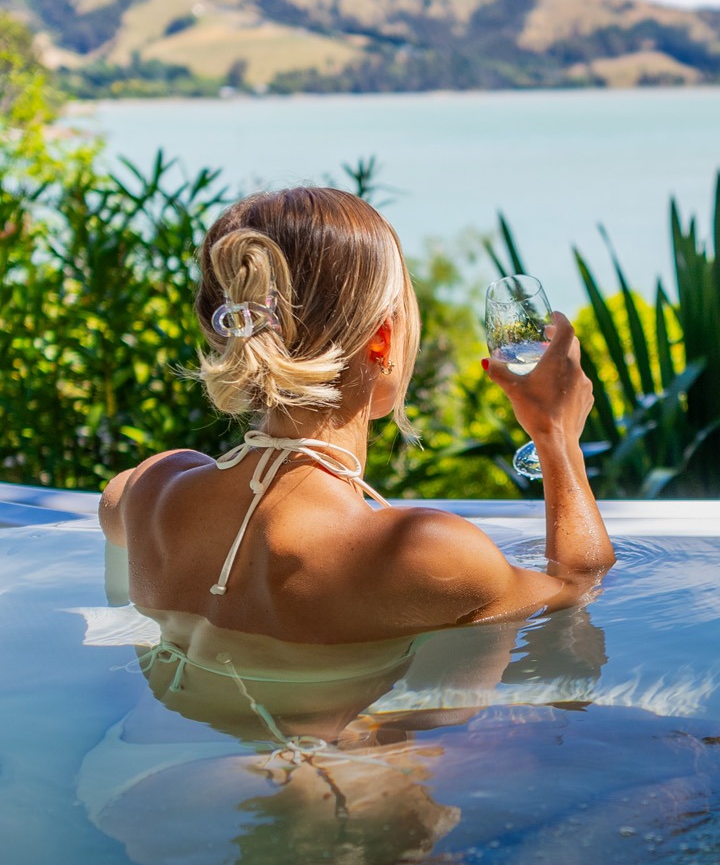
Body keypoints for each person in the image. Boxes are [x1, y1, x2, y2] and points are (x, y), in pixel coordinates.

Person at [98, 186, 612, 641]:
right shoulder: (427, 555)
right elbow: (579, 591)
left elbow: (112, 504)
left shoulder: (149, 494)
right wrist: (556, 436)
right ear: (381, 339)